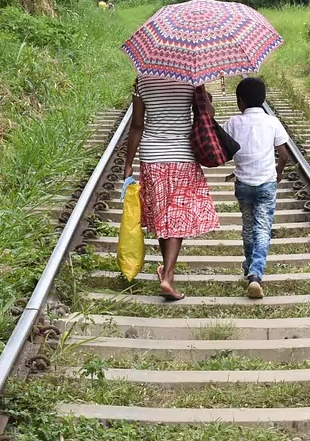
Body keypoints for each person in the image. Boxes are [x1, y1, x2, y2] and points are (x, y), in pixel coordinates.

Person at [122, 74, 220, 300]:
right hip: (182, 155)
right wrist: (202, 90)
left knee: (162, 215)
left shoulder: (142, 81)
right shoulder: (191, 79)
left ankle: (165, 270)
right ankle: (168, 275)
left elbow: (137, 125)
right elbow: (209, 116)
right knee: (176, 216)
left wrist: (128, 164)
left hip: (152, 156)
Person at [222, 76, 292, 299]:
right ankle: (255, 274)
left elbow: (224, 149)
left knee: (248, 225)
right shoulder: (272, 122)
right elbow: (284, 154)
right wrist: (278, 171)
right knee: (262, 228)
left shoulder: (233, 123)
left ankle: (249, 267)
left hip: (243, 184)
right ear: (263, 99)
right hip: (266, 184)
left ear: (240, 101)